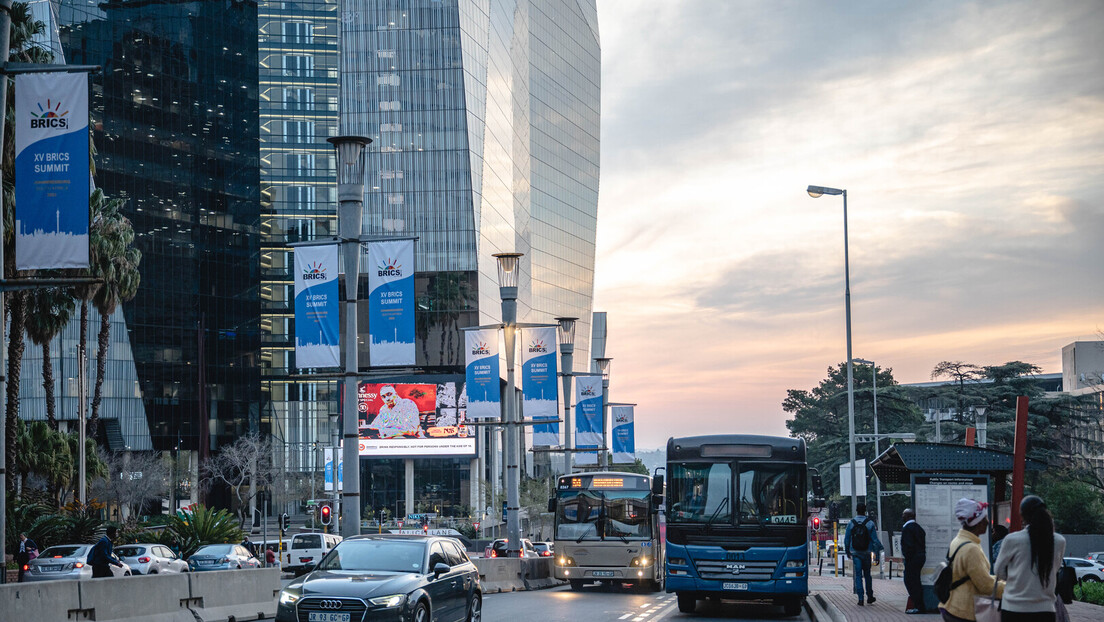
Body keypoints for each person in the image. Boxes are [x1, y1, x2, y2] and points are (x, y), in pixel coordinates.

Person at [993, 496, 1066, 622]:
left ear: (1022, 516)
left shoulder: (1012, 539)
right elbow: (1056, 568)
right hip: (1045, 610)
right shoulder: (1059, 541)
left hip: (1013, 608)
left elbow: (998, 571)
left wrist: (1017, 577)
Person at [938, 498, 1004, 622]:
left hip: (953, 606)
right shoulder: (971, 548)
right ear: (976, 523)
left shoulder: (958, 541)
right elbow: (985, 585)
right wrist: (1011, 588)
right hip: (964, 611)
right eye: (984, 519)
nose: (988, 522)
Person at [844, 502, 884, 606]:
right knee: (867, 575)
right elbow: (875, 540)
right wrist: (878, 551)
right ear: (865, 511)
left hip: (856, 553)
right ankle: (870, 596)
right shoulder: (870, 523)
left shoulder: (851, 523)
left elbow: (847, 539)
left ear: (857, 510)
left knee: (858, 575)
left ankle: (860, 598)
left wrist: (847, 551)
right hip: (867, 552)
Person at [901, 508, 928, 614]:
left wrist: (907, 558)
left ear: (908, 516)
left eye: (903, 515)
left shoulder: (908, 528)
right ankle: (919, 605)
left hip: (912, 559)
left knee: (910, 581)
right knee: (916, 581)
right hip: (921, 557)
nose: (902, 516)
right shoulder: (919, 528)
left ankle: (918, 606)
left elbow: (908, 546)